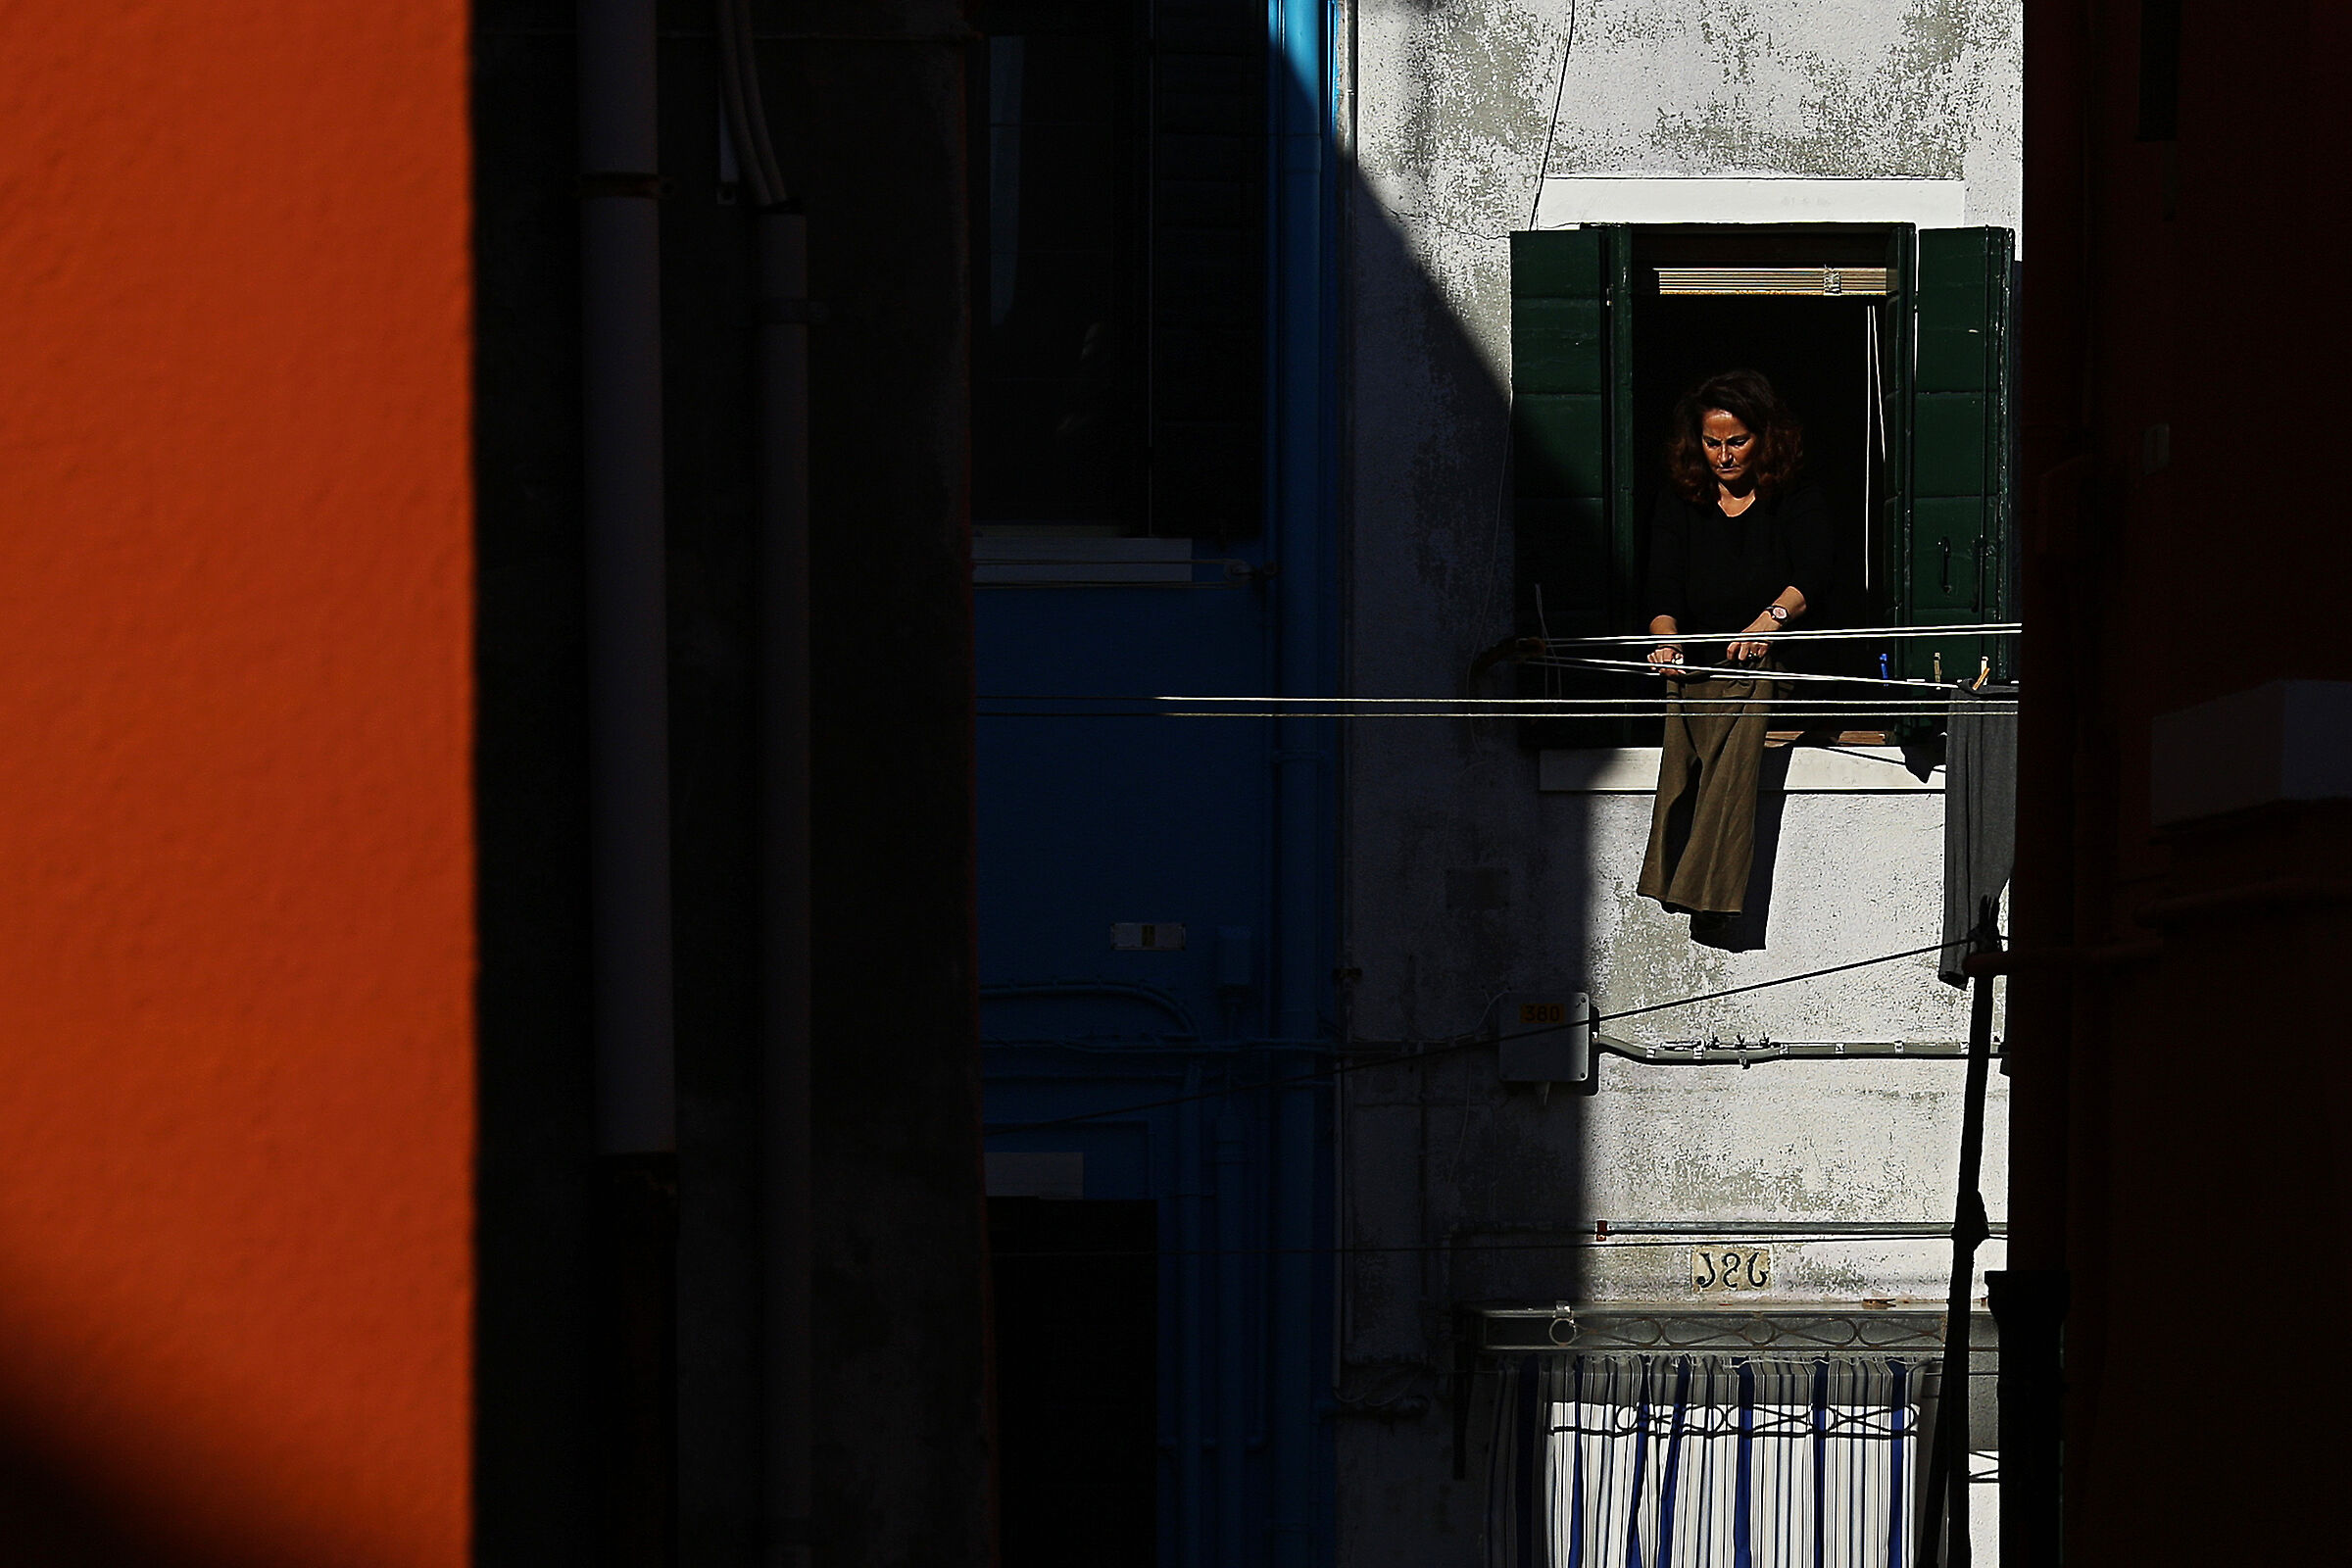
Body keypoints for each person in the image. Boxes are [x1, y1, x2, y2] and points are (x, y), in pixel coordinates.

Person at [1637, 369, 1832, 930]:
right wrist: (1664, 641)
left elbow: (1815, 574)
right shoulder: (1681, 501)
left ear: (1765, 438)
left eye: (1738, 441)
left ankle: (1703, 884)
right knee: (1684, 726)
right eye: (1712, 442)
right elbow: (1662, 587)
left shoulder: (1795, 496)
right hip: (1700, 671)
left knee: (1744, 707)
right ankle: (1682, 870)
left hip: (1770, 665)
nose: (1724, 456)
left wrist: (1768, 623)